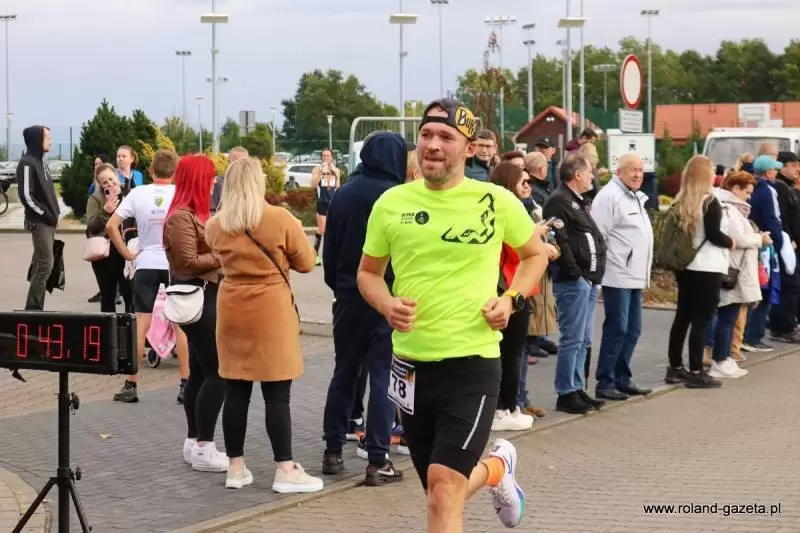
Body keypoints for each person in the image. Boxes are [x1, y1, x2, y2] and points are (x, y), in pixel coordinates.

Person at [358, 98, 547, 531]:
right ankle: (496, 469)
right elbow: (368, 274)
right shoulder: (392, 203)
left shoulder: (495, 200)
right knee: (439, 490)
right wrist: (386, 304)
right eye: (426, 135)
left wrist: (511, 299)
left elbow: (534, 255)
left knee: (444, 488)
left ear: (469, 148)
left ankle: (495, 468)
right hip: (410, 368)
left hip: (472, 364)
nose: (433, 145)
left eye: (446, 137)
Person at [206, 157, 323, 493]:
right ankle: (285, 469)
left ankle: (235, 467)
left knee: (235, 391)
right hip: (271, 310)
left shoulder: (215, 225)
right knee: (277, 395)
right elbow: (307, 262)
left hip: (231, 309)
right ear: (259, 182)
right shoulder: (279, 218)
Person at [321, 131, 407, 486]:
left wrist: (340, 286)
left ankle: (332, 450)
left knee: (344, 373)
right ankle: (377, 458)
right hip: (387, 299)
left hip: (348, 297)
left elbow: (329, 250)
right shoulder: (399, 196)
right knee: (384, 377)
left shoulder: (343, 193)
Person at [107, 149, 190, 404]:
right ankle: (186, 384)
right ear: (175, 171)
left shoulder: (138, 193)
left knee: (141, 324)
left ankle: (131, 384)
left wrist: (126, 253)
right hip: (173, 263)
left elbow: (111, 225)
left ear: (151, 170)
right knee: (179, 324)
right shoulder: (181, 194)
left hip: (145, 263)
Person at [164, 154, 228, 473]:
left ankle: (194, 441)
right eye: (211, 177)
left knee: (201, 373)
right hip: (198, 298)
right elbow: (187, 262)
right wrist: (222, 256)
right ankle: (204, 445)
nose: (214, 182)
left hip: (205, 297)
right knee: (219, 372)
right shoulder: (181, 217)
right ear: (198, 180)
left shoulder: (193, 215)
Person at [542, 154, 607, 414]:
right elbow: (560, 239)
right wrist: (575, 272)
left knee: (584, 338)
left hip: (588, 280)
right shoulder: (558, 201)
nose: (593, 177)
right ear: (577, 174)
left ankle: (577, 387)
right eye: (590, 172)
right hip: (574, 281)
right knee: (572, 338)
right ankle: (566, 391)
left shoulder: (579, 200)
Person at [665, 155, 734, 389]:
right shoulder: (710, 202)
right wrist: (730, 241)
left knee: (682, 317)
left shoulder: (681, 200)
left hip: (686, 267)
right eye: (712, 170)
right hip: (708, 267)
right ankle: (696, 371)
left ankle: (675, 366)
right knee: (702, 320)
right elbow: (714, 235)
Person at [590, 153, 654, 401]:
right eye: (632, 170)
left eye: (640, 170)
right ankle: (605, 382)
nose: (638, 175)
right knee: (618, 328)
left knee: (633, 330)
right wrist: (600, 273)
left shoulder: (635, 197)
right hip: (617, 275)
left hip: (635, 275)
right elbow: (599, 236)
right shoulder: (610, 196)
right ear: (619, 172)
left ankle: (622, 378)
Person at [488, 162, 542, 431]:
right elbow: (514, 249)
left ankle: (511, 405)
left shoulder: (516, 208)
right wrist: (536, 238)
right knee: (508, 353)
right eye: (523, 182)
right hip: (508, 286)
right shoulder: (506, 210)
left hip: (517, 286)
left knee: (515, 352)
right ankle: (502, 408)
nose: (528, 186)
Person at [711, 171, 768, 379]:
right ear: (735, 189)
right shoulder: (729, 209)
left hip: (737, 269)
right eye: (747, 192)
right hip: (732, 270)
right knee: (726, 317)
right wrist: (759, 239)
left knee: (731, 316)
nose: (749, 197)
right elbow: (738, 238)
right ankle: (719, 359)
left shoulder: (733, 208)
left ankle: (725, 357)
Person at [742, 155, 785, 353]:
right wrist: (779, 242)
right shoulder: (768, 190)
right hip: (766, 245)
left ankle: (744, 335)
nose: (776, 172)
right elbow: (774, 218)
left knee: (754, 289)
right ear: (768, 172)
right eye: (774, 169)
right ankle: (754, 336)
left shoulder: (752, 187)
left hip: (752, 240)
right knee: (765, 291)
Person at [17, 126, 60, 311]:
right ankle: (33, 310)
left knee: (41, 264)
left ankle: (35, 307)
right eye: (47, 137)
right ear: (37, 139)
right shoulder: (28, 163)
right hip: (40, 222)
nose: (50, 141)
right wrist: (45, 214)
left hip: (48, 221)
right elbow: (26, 195)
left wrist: (55, 213)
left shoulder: (41, 161)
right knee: (45, 264)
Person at [85, 163, 134, 313]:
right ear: (100, 184)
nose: (110, 184)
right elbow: (91, 227)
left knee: (130, 293)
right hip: (105, 252)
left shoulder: (130, 194)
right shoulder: (95, 198)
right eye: (104, 182)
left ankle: (129, 326)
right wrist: (105, 212)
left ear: (117, 176)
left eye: (111, 179)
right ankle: (109, 327)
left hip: (127, 250)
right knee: (107, 296)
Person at [311, 148, 341, 265]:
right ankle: (315, 255)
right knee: (322, 230)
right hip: (322, 202)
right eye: (324, 156)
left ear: (332, 157)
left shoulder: (336, 170)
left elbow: (338, 186)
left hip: (333, 203)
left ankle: (332, 256)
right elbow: (313, 184)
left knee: (334, 229)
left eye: (328, 156)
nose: (326, 158)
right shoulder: (317, 169)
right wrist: (320, 173)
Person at [211, 146, 249, 214]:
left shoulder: (251, 185)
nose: (241, 166)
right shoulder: (216, 183)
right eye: (236, 162)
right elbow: (212, 213)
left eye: (244, 162)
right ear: (228, 163)